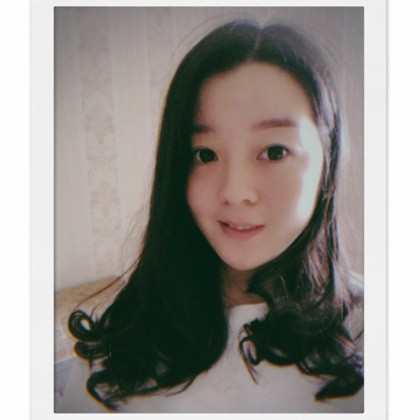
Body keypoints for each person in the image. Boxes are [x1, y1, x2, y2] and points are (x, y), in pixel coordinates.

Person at [58, 19, 364, 413]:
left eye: (274, 152)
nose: (235, 192)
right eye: (205, 154)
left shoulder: (373, 333)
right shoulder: (121, 333)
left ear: (328, 159)